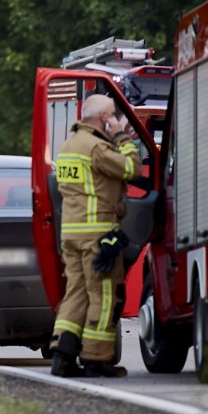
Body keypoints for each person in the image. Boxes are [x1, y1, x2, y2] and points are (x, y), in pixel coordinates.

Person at [49, 94, 140, 378]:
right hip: (97, 234)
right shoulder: (97, 148)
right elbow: (131, 169)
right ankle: (95, 359)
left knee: (75, 293)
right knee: (103, 295)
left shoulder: (69, 146)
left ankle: (62, 356)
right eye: (113, 116)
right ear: (104, 118)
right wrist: (123, 138)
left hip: (72, 235)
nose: (115, 120)